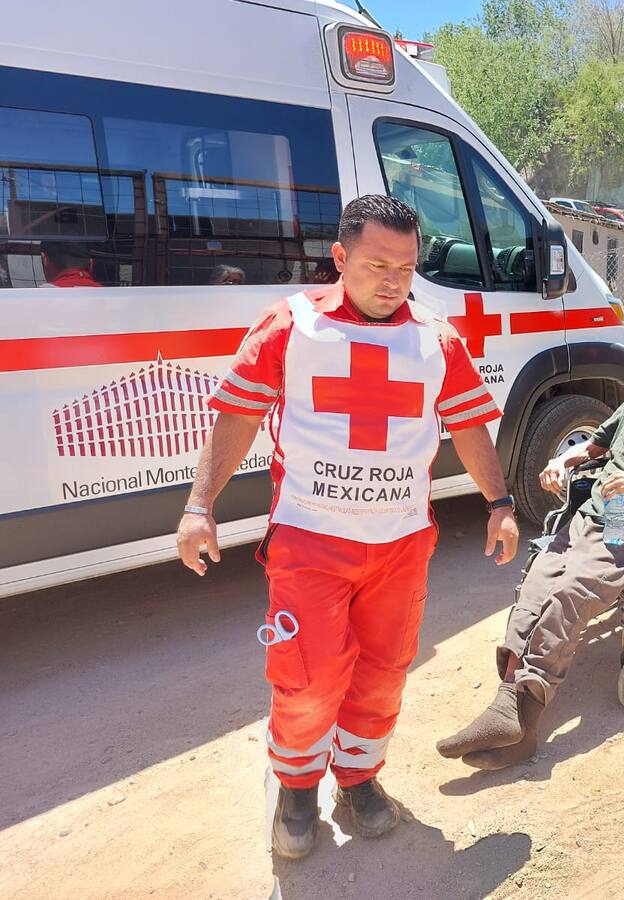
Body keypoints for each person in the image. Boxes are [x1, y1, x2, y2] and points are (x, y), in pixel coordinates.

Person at [174, 195, 521, 859]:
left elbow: (469, 424)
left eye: (406, 267)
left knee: (384, 672)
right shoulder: (291, 326)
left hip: (399, 546)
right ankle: (297, 790)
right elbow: (239, 416)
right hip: (309, 541)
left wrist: (499, 503)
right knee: (307, 677)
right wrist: (198, 508)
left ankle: (359, 778)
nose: (391, 280)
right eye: (375, 265)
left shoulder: (435, 338)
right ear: (339, 257)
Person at [436, 342, 624, 770]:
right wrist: (560, 460)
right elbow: (590, 448)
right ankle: (510, 706)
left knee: (572, 591)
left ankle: (522, 717)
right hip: (596, 513)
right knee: (538, 584)